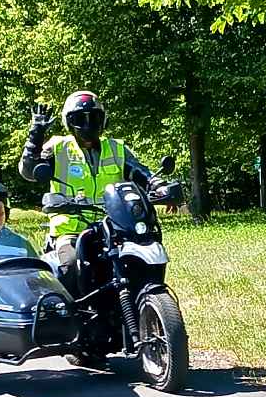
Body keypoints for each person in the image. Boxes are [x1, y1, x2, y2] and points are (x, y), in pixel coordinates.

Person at [17, 91, 162, 282]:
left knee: (141, 258)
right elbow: (28, 171)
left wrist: (158, 185)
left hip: (114, 226)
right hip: (70, 229)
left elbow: (140, 172)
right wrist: (35, 136)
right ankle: (73, 312)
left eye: (93, 117)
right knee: (70, 266)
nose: (87, 124)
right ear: (69, 122)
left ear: (103, 120)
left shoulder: (116, 148)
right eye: (80, 119)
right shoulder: (58, 147)